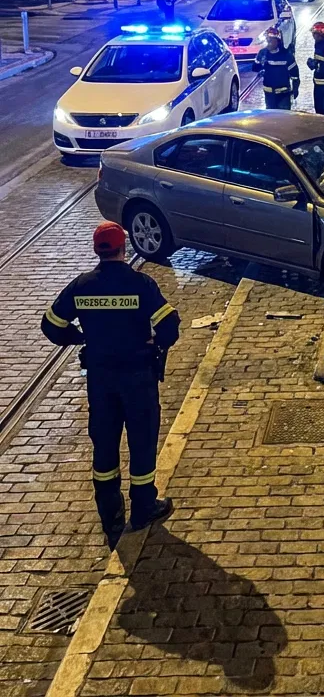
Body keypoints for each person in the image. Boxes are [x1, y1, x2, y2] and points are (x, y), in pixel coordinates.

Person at [41, 222, 178, 549]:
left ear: (96, 251)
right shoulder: (140, 284)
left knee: (104, 442)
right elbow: (170, 326)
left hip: (101, 380)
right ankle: (144, 506)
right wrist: (156, 346)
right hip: (138, 377)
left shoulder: (82, 286)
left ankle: (109, 510)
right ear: (123, 248)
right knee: (142, 441)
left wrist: (81, 338)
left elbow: (51, 325)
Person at [253, 26, 299, 109]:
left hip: (283, 95)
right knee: (271, 119)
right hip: (269, 95)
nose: (269, 43)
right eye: (268, 40)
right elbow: (255, 68)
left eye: (271, 40)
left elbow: (295, 74)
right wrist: (260, 62)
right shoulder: (263, 53)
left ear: (278, 41)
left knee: (284, 118)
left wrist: (295, 89)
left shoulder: (286, 55)